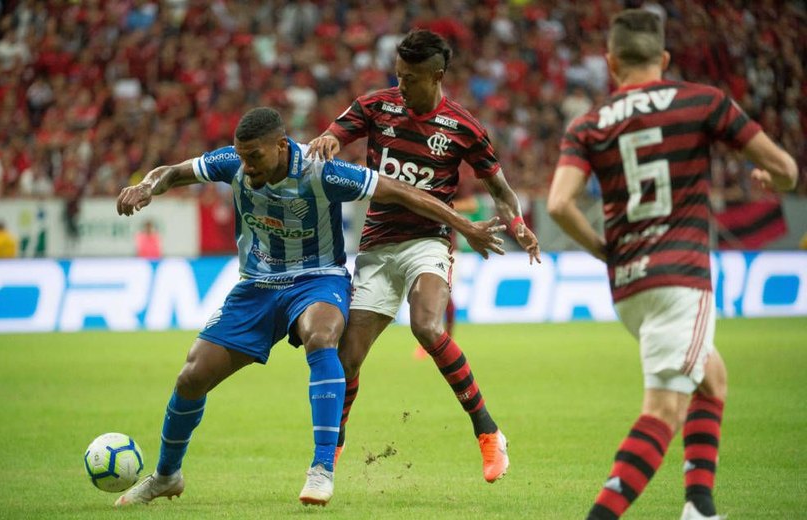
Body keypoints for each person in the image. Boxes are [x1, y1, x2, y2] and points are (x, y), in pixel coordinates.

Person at [113, 107, 506, 507]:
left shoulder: (323, 170)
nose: (246, 167)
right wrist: (147, 186)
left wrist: (466, 227)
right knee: (191, 377)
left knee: (322, 337)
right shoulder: (232, 162)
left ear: (282, 147)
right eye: (242, 156)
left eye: (255, 157)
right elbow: (174, 171)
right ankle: (166, 475)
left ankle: (322, 468)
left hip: (318, 278)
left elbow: (402, 191)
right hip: (257, 286)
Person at [547, 10, 798, 520]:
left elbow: (558, 204)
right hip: (681, 277)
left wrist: (603, 249)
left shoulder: (589, 123)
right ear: (662, 59)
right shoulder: (701, 101)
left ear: (611, 61)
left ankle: (698, 507)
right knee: (662, 410)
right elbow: (786, 168)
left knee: (712, 378)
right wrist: (778, 183)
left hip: (629, 286)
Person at [307, 29, 541, 483]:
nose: (401, 86)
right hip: (377, 244)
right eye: (397, 75)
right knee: (348, 357)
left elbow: (501, 191)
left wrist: (517, 227)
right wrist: (329, 140)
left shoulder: (464, 127)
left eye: (410, 78)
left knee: (427, 325)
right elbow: (336, 132)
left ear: (436, 76)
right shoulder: (378, 105)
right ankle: (332, 451)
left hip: (429, 241)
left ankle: (488, 432)